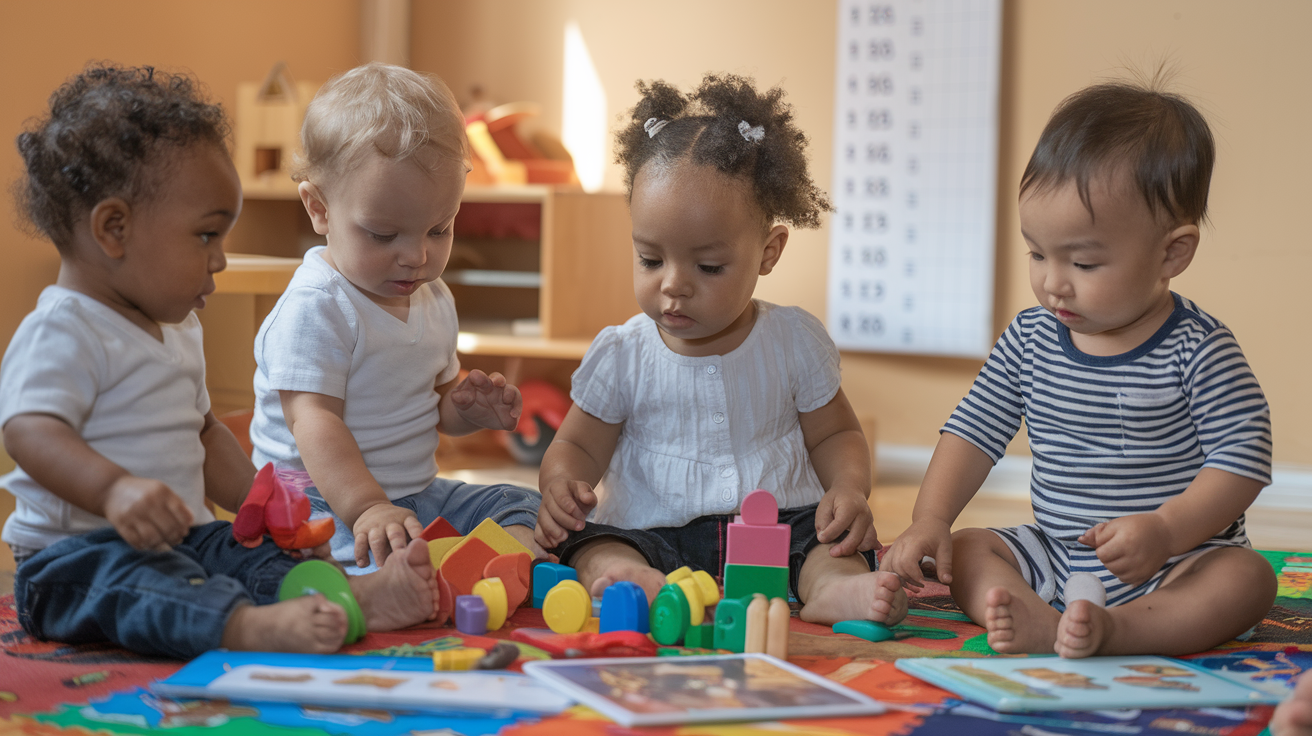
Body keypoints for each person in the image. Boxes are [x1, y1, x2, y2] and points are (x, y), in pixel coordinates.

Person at [1, 64, 438, 659]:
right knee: (143, 590)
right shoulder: (65, 329)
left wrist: (264, 502)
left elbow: (203, 434)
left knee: (248, 556)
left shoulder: (177, 327)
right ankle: (243, 630)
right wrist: (115, 492)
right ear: (113, 229)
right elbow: (28, 431)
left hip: (182, 537)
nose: (220, 260)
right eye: (206, 237)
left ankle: (352, 597)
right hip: (74, 558)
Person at [881, 80, 1276, 657]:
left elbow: (1243, 462)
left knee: (1247, 580)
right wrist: (929, 517)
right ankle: (1037, 616)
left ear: (1172, 253)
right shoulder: (1030, 337)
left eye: (1084, 261)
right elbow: (972, 432)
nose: (1052, 282)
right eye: (1038, 253)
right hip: (1060, 552)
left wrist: (1166, 530)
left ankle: (1123, 631)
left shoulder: (1199, 348)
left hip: (1176, 560)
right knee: (968, 549)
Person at [533, 74, 908, 626]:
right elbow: (578, 447)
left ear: (768, 252)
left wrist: (849, 488)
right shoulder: (621, 354)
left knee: (829, 545)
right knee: (595, 543)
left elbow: (836, 433)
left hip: (778, 526)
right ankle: (626, 580)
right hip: (652, 529)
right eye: (650, 259)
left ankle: (834, 591)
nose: (673, 285)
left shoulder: (794, 341)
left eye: (708, 267)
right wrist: (562, 483)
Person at [250, 63, 543, 572]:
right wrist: (367, 507)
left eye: (439, 229)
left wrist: (465, 411)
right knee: (328, 556)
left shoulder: (433, 299)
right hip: (320, 501)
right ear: (319, 209)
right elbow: (313, 422)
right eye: (384, 236)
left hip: (413, 496)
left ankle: (460, 566)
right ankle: (414, 573)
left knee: (525, 504)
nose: (416, 256)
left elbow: (435, 406)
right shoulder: (316, 307)